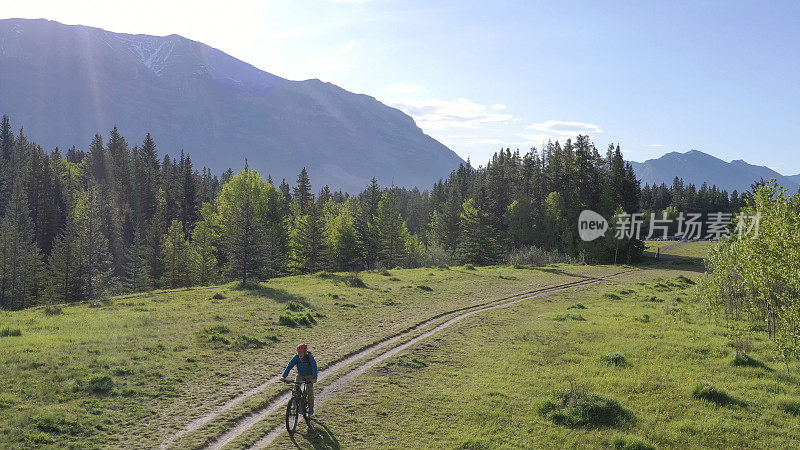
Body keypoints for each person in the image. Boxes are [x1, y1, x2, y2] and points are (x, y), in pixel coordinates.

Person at [280, 343, 318, 415]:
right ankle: (294, 404)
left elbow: (314, 367)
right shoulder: (296, 357)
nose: (299, 354)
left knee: (309, 390)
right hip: (300, 374)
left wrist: (314, 378)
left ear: (305, 352)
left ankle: (311, 408)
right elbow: (289, 366)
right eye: (298, 352)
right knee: (296, 388)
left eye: (301, 352)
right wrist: (284, 376)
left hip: (309, 375)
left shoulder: (309, 358)